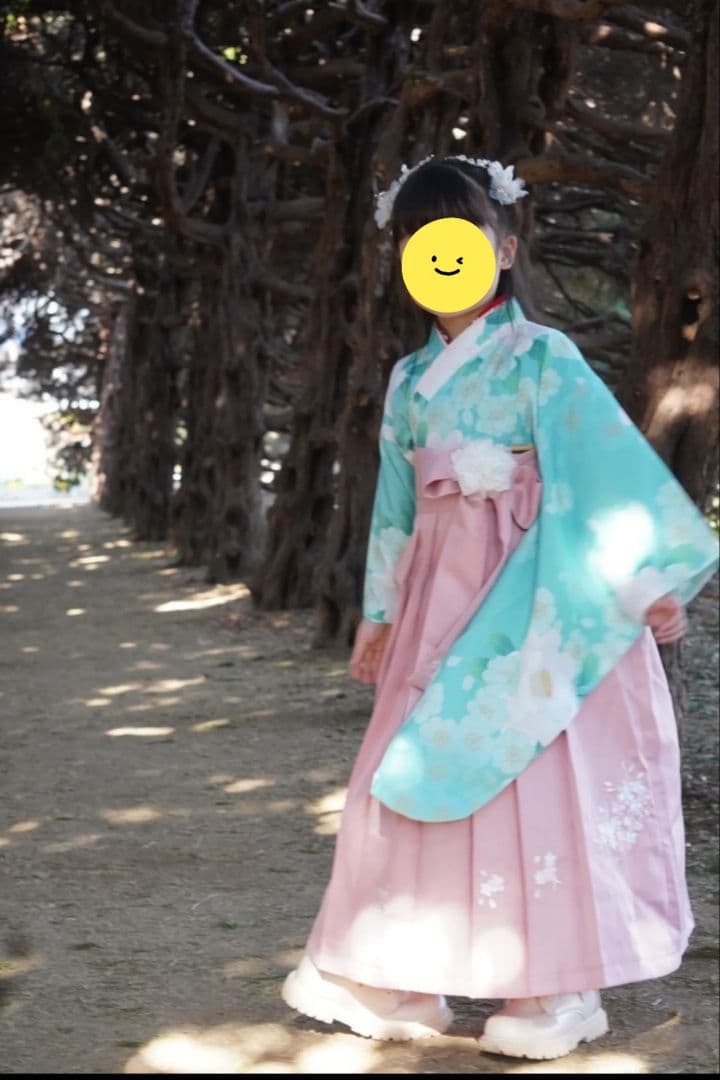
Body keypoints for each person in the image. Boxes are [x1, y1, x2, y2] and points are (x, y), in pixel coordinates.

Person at [280, 155, 719, 1060]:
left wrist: (644, 577)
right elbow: (395, 503)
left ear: (505, 247)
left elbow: (601, 470)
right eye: (420, 240)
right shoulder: (409, 379)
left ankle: (556, 984)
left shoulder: (542, 356)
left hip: (533, 590)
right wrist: (378, 612)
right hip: (434, 594)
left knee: (537, 776)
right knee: (408, 769)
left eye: (461, 236)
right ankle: (406, 969)